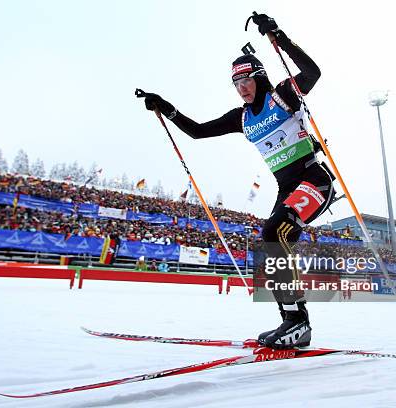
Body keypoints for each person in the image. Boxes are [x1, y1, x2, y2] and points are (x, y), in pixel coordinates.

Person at [142, 13, 335, 349]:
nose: (241, 88)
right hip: (287, 187)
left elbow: (313, 73)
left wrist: (279, 37)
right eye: (236, 84)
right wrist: (167, 109)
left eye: (246, 81)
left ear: (259, 78)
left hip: (313, 178)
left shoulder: (283, 95)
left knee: (275, 233)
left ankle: (299, 323)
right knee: (269, 244)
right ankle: (292, 320)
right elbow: (199, 132)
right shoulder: (242, 117)